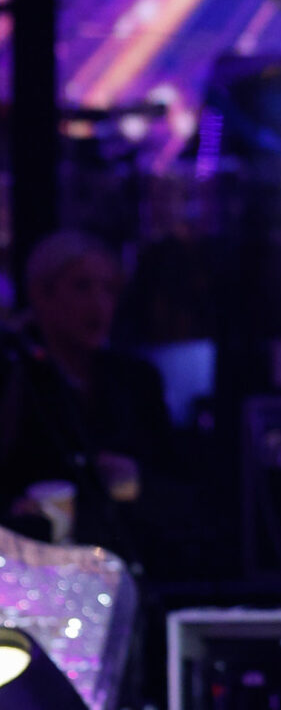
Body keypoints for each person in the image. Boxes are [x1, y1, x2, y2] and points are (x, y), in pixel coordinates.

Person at [0, 229, 175, 555]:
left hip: (126, 564)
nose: (98, 304)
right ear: (41, 294)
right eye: (82, 287)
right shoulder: (12, 375)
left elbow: (182, 493)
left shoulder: (137, 381)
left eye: (109, 290)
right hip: (29, 571)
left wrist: (137, 483)